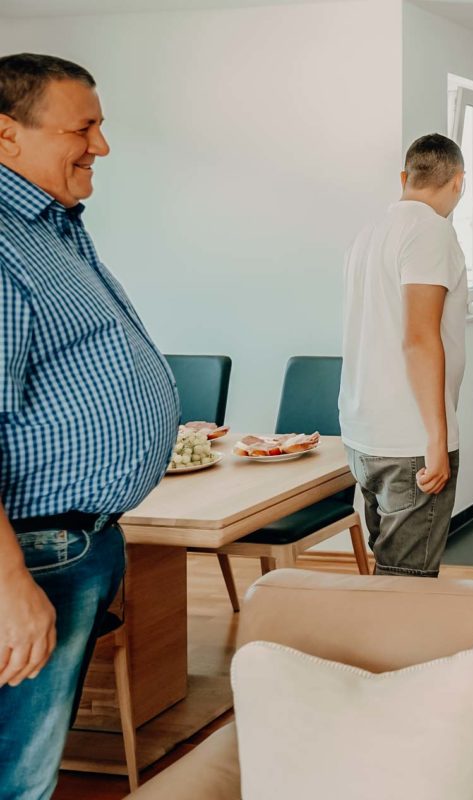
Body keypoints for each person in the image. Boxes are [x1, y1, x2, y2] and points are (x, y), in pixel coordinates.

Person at [0, 54, 179, 799]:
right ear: (6, 135)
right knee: (19, 770)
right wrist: (8, 585)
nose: (100, 146)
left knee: (34, 757)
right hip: (32, 551)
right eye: (84, 128)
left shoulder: (53, 224)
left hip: (77, 543)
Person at [339, 133, 467, 577]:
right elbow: (418, 338)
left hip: (364, 435)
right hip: (409, 440)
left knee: (390, 572)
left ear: (404, 178)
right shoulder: (432, 232)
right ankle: (387, 649)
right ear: (458, 183)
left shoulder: (367, 235)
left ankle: (375, 646)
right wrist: (437, 437)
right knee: (405, 584)